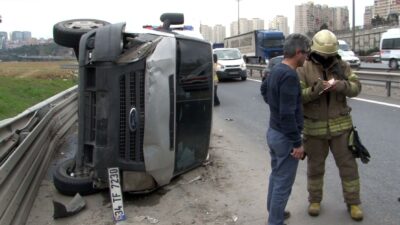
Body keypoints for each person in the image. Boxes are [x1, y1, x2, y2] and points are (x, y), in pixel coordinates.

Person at [296, 29, 363, 221]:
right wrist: (316, 90)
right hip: (314, 128)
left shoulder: (342, 65)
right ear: (314, 51)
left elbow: (356, 87)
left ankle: (354, 203)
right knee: (315, 168)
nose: (327, 58)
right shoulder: (303, 68)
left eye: (330, 55)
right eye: (324, 55)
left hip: (341, 127)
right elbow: (299, 96)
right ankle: (314, 200)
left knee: (348, 167)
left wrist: (341, 86)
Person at [260, 33, 310, 225]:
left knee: (276, 175)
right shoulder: (289, 75)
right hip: (285, 137)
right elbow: (287, 114)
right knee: (283, 182)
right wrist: (297, 143)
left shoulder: (276, 69)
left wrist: (274, 106)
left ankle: (274, 212)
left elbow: (264, 90)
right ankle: (275, 221)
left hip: (273, 132)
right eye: (306, 53)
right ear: (298, 53)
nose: (307, 57)